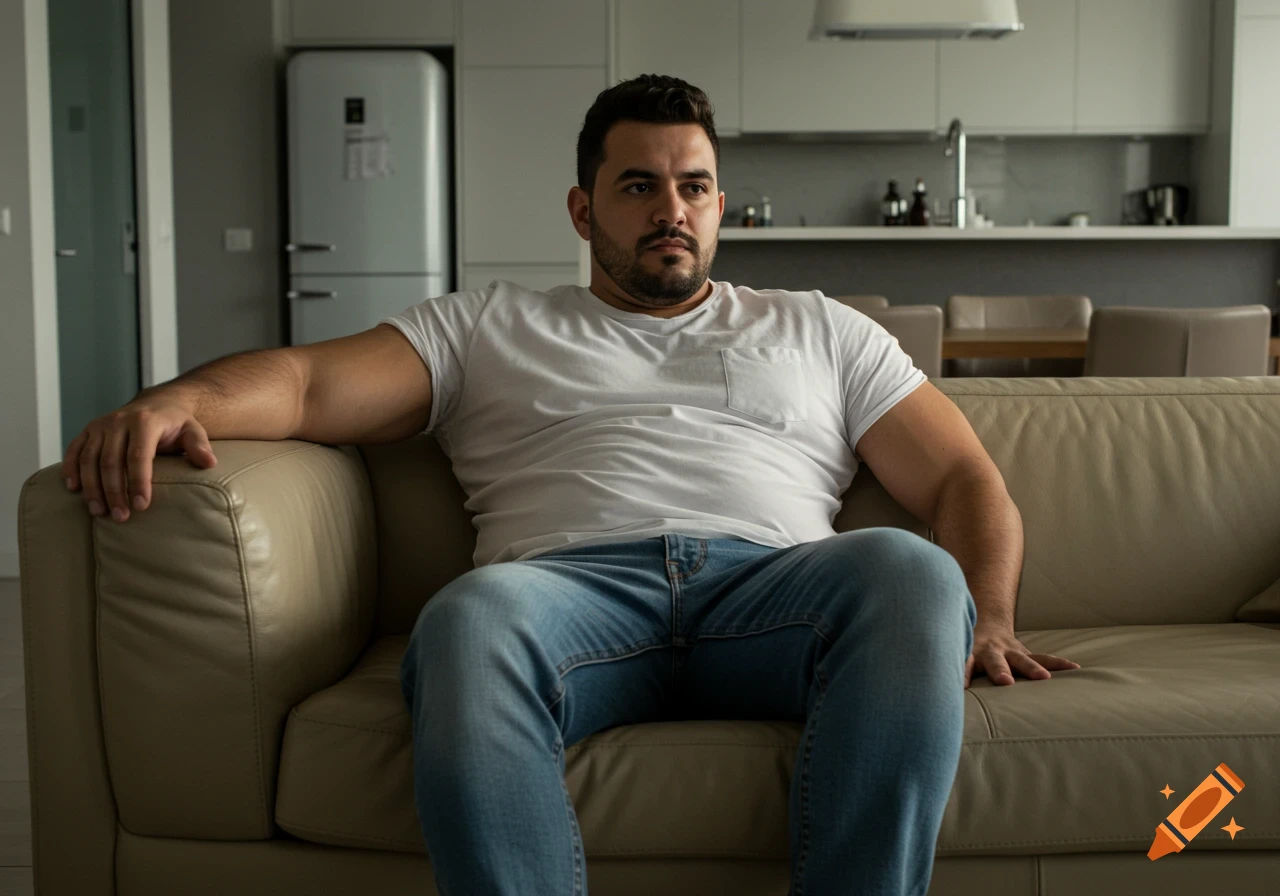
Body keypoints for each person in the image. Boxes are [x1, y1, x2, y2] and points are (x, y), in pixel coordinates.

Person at [63, 73, 1079, 896]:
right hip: (564, 598)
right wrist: (179, 398)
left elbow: (958, 474)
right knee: (467, 617)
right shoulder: (487, 324)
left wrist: (985, 613)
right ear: (583, 207)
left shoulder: (818, 326)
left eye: (691, 186)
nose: (669, 210)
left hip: (773, 596)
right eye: (638, 185)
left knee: (910, 575)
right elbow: (305, 380)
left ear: (720, 204)